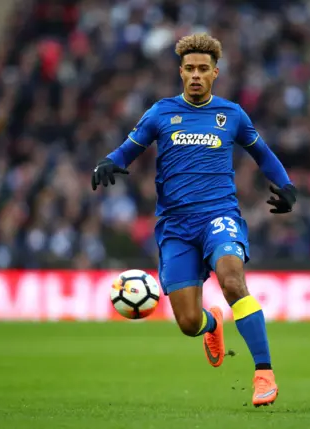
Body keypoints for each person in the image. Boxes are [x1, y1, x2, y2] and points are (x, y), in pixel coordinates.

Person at [91, 33, 297, 407]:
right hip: (175, 227)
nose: (197, 75)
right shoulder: (161, 112)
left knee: (233, 279)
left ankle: (264, 374)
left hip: (219, 216)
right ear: (180, 72)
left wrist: (286, 185)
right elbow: (128, 150)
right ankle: (212, 323)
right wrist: (109, 162)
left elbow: (263, 153)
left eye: (204, 69)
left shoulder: (231, 114)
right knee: (188, 323)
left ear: (215, 73)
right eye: (190, 69)